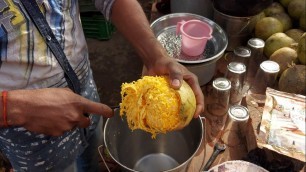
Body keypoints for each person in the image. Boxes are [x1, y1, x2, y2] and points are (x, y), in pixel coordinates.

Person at [0, 0, 204, 171]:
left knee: (92, 158)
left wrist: (155, 54)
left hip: (85, 89)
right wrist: (11, 107)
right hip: (25, 128)